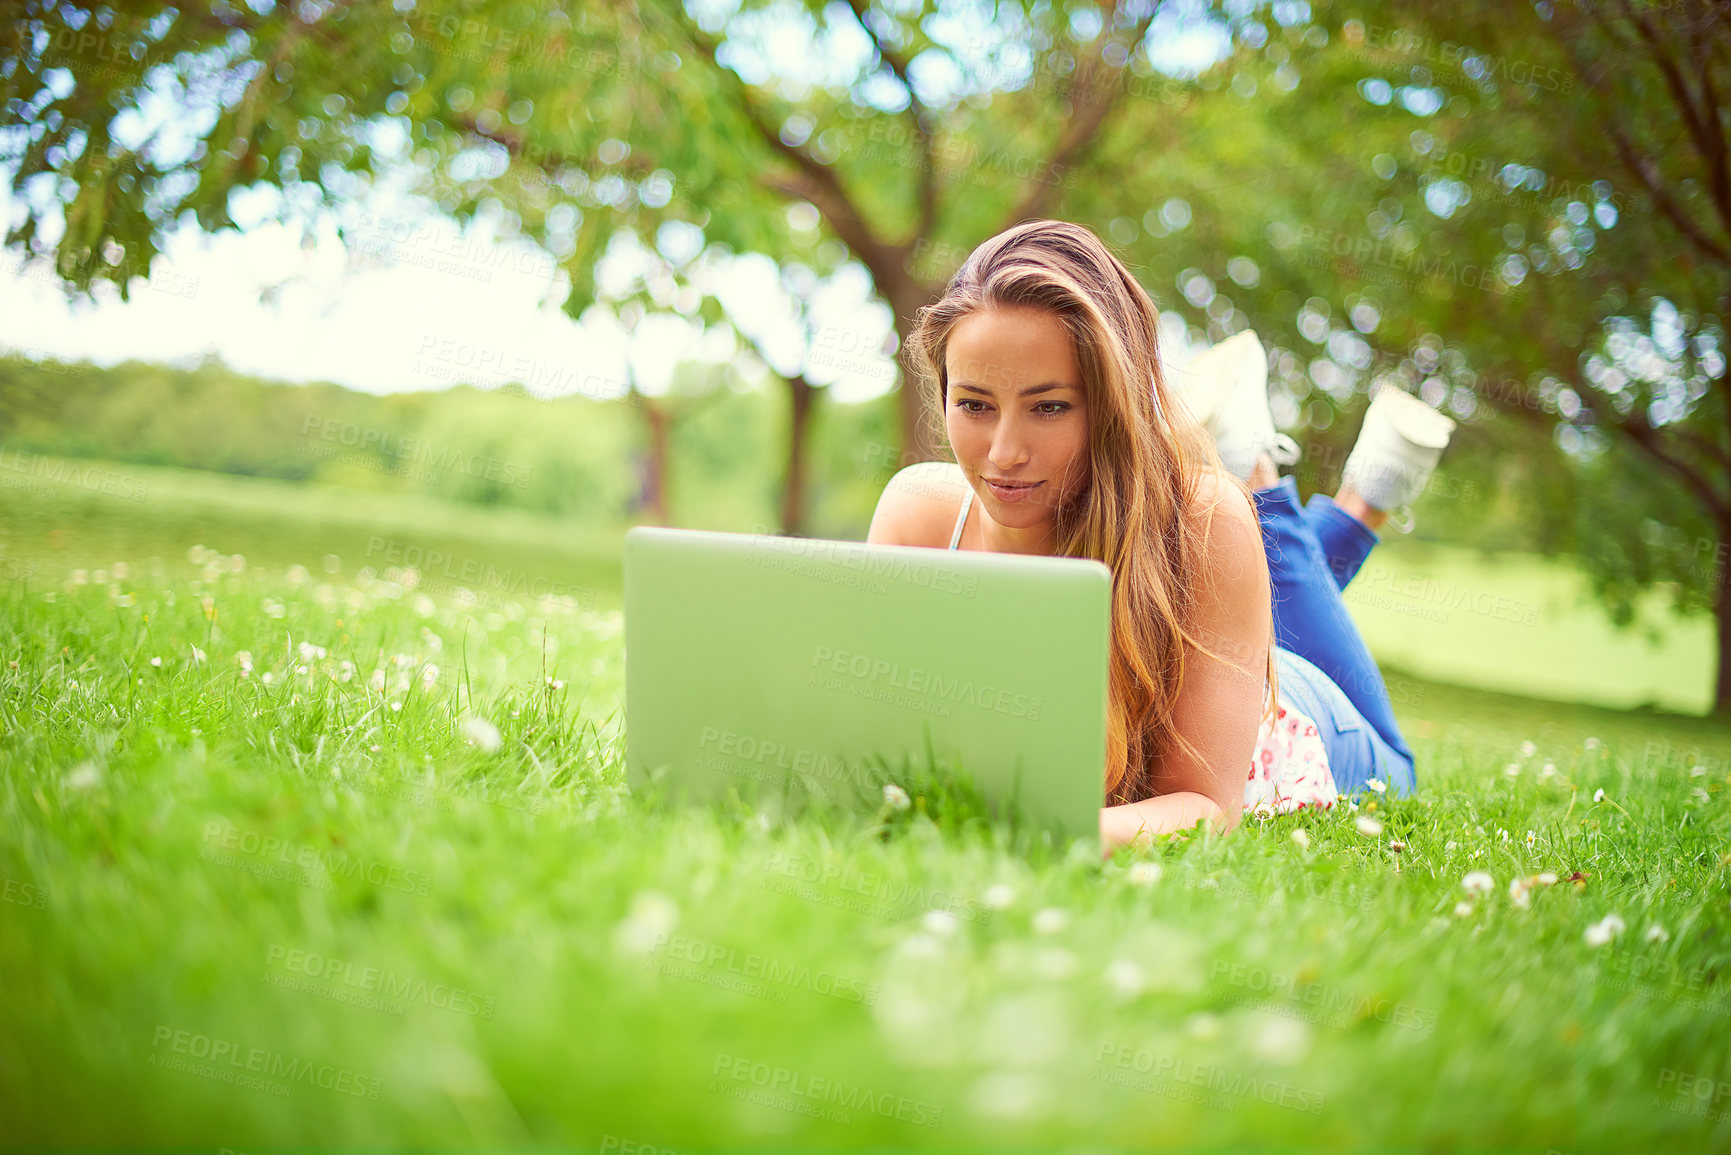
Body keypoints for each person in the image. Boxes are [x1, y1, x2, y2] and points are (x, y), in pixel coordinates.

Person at [864, 220, 1456, 850]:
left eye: (1050, 406)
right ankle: (1268, 465)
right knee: (1239, 560)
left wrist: (1039, 831)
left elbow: (1205, 805)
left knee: (1398, 761)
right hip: (1214, 633)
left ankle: (1332, 488)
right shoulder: (919, 514)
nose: (1004, 453)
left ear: (1114, 404)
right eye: (975, 404)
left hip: (1289, 713)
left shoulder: (1203, 524)